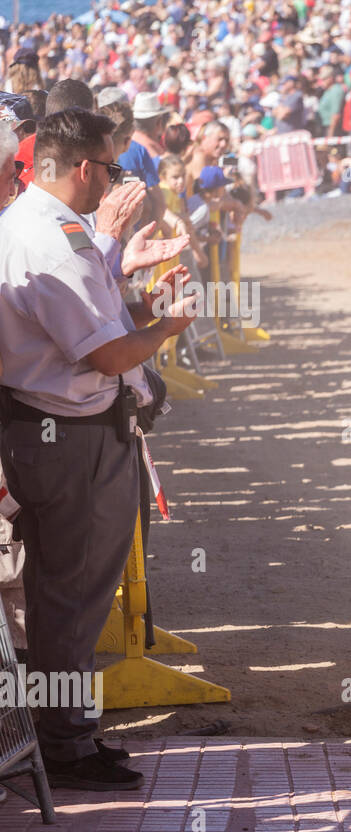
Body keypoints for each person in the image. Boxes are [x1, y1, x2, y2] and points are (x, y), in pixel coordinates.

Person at [0, 108, 194, 790]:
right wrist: (168, 324)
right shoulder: (47, 238)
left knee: (72, 599)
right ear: (84, 168)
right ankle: (66, 746)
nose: (113, 181)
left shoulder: (48, 226)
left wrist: (142, 309)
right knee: (69, 601)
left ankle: (71, 736)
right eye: (110, 168)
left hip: (71, 433)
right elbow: (110, 353)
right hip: (68, 439)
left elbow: (105, 323)